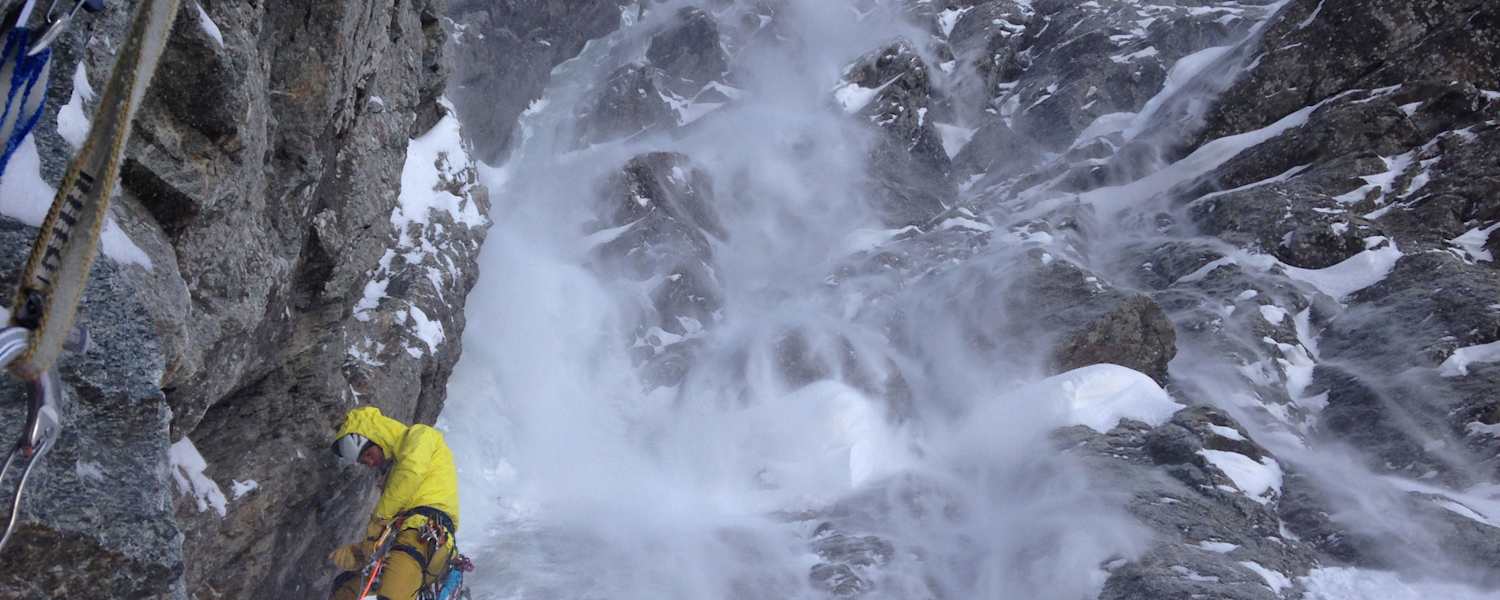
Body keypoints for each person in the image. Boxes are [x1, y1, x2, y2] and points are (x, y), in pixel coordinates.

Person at [328, 406, 461, 600]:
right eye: (364, 461)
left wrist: (377, 521)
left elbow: (410, 472)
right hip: (414, 543)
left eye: (368, 455)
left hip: (422, 535)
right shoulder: (397, 475)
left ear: (376, 436)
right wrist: (359, 552)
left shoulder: (421, 435)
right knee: (345, 589)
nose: (370, 463)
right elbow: (383, 533)